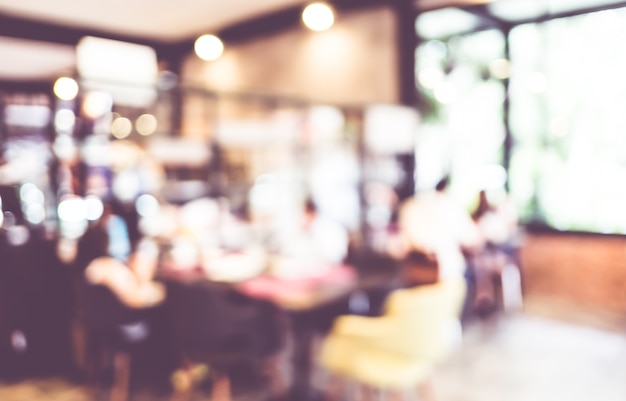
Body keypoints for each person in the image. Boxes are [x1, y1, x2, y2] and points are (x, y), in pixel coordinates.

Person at [394, 176, 483, 284]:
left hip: (413, 276)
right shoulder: (450, 206)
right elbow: (472, 239)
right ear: (444, 187)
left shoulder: (407, 206)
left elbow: (401, 244)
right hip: (447, 276)